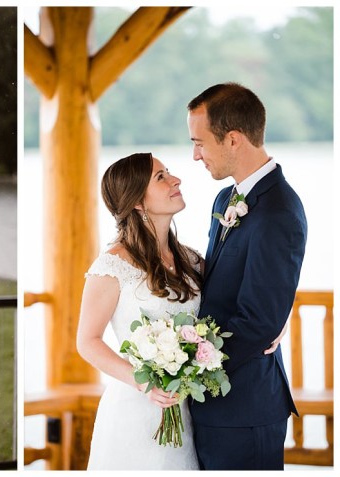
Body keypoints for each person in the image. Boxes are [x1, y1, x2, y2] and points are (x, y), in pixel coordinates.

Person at [186, 82, 306, 470]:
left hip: (245, 408)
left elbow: (259, 321)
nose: (195, 156)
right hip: (217, 406)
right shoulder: (227, 198)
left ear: (233, 139)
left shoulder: (278, 211)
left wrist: (191, 374)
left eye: (200, 143)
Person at [76, 152, 204, 470]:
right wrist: (145, 383)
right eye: (161, 177)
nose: (176, 180)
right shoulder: (112, 266)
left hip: (187, 412)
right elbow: (87, 341)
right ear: (136, 201)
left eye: (169, 173)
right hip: (134, 414)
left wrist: (279, 322)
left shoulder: (192, 260)